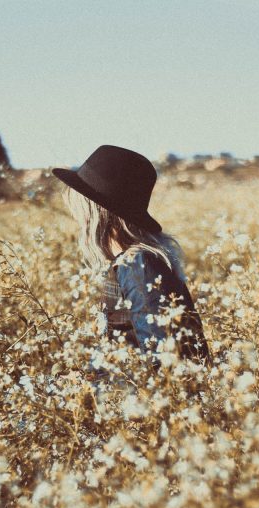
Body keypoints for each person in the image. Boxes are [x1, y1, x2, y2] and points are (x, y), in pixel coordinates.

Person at [51, 145, 210, 369]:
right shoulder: (129, 263)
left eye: (82, 213)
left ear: (97, 215)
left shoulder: (139, 265)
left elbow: (166, 362)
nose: (79, 223)